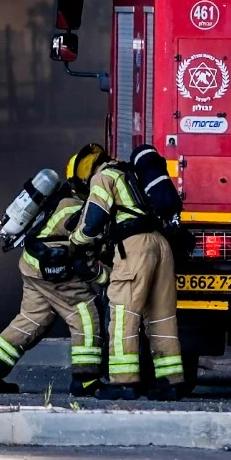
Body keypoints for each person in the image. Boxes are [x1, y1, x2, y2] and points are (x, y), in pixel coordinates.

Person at [0, 143, 107, 396]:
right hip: (52, 270)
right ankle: (85, 382)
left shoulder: (60, 199)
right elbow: (87, 238)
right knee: (86, 315)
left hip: (32, 265)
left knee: (31, 320)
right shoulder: (78, 208)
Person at [69, 150, 184, 400]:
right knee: (161, 318)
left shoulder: (104, 177)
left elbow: (93, 222)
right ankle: (170, 383)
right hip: (161, 244)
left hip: (135, 247)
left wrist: (75, 242)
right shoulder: (133, 174)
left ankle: (123, 383)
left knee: (123, 314)